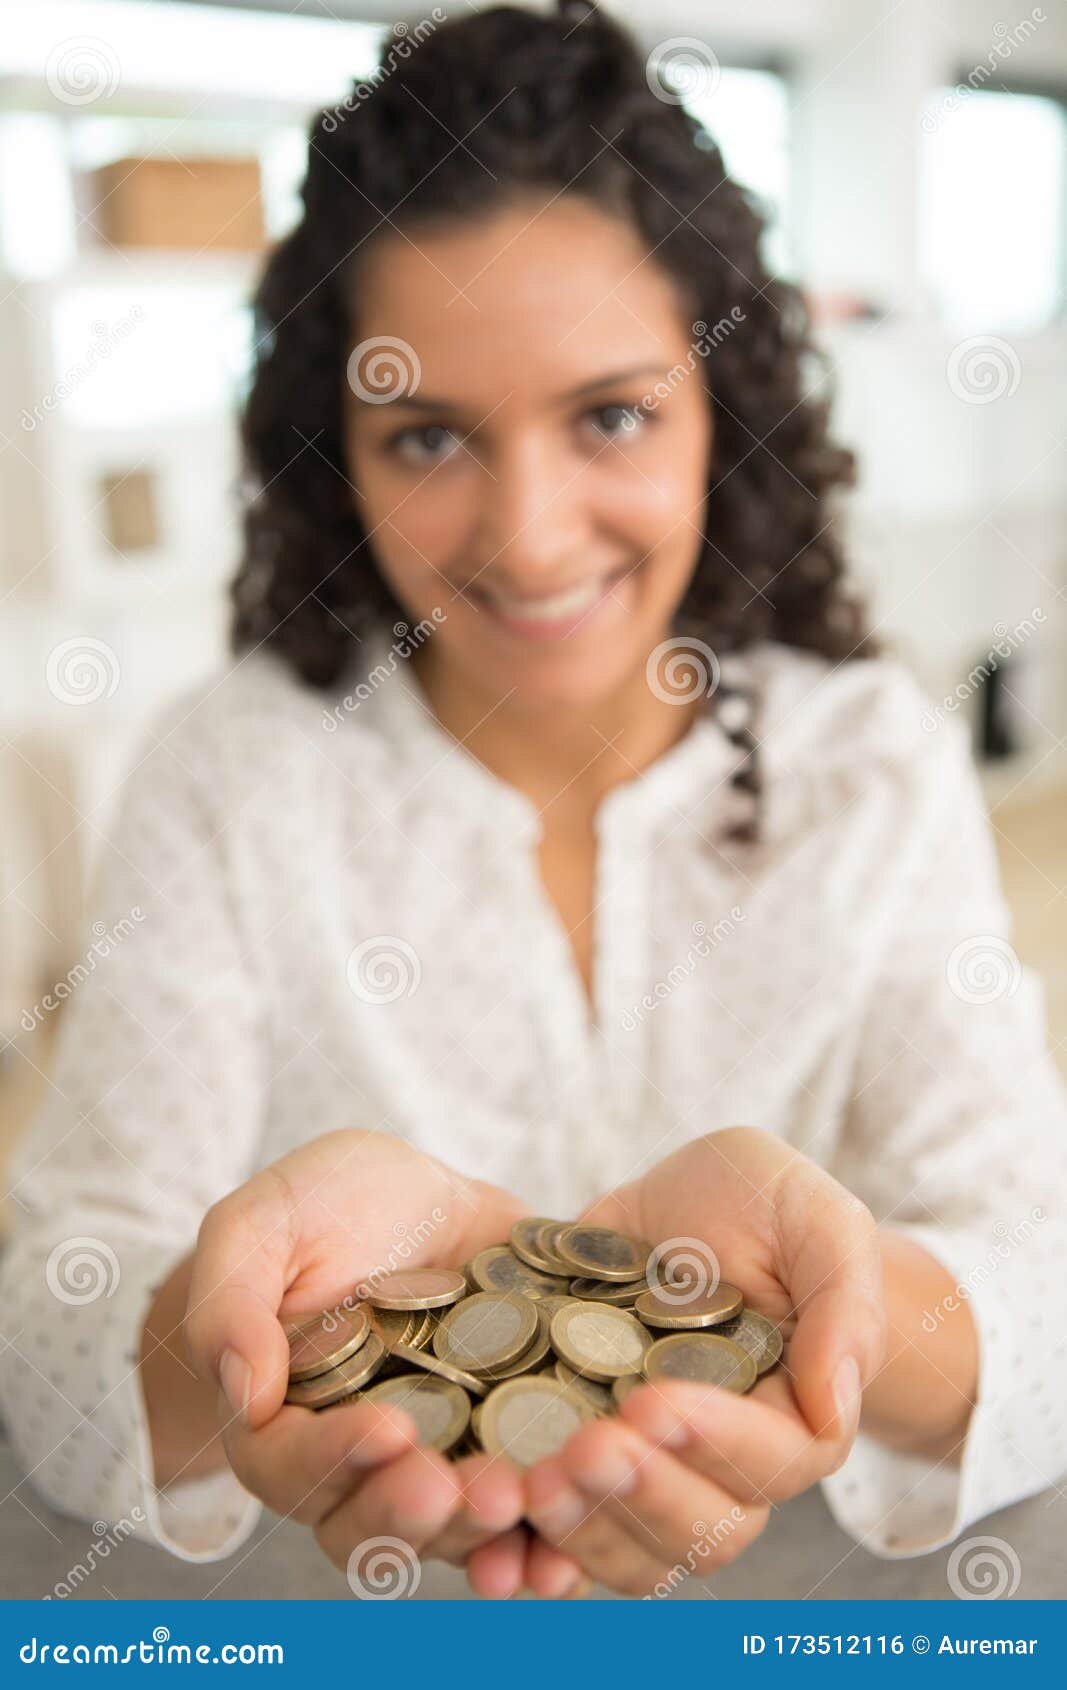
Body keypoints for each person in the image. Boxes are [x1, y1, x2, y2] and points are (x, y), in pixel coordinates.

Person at [3, 0, 1065, 1601]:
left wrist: (856, 1306)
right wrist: (245, 1325)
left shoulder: (874, 760)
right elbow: (45, 1345)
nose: (531, 533)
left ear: (727, 406)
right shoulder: (227, 769)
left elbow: (1042, 1289)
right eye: (427, 432)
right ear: (332, 456)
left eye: (612, 415)